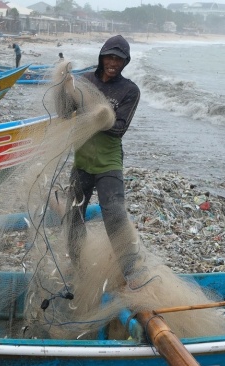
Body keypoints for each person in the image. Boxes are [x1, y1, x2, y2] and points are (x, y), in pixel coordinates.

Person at [66, 35, 141, 283]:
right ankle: (78, 266)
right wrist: (63, 89)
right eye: (109, 57)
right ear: (101, 56)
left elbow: (120, 127)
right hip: (82, 161)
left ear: (125, 62)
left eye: (119, 59)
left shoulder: (129, 90)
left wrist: (100, 115)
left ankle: (131, 272)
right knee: (74, 215)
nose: (113, 63)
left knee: (114, 213)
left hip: (108, 162)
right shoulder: (85, 81)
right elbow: (66, 112)